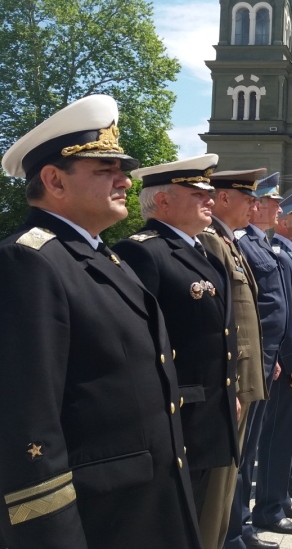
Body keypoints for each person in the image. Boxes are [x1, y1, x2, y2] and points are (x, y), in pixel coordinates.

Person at [0, 94, 202, 548]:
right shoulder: (24, 265)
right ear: (54, 180)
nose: (125, 181)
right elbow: (21, 435)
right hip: (89, 522)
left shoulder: (98, 257)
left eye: (121, 170)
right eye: (105, 170)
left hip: (133, 511)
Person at [113, 155, 240, 548]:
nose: (209, 199)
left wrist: (228, 391)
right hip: (176, 417)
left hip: (207, 414)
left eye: (209, 192)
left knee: (194, 520)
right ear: (163, 202)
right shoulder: (143, 252)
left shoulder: (200, 251)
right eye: (197, 192)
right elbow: (140, 346)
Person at [199, 167, 267, 549]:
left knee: (230, 478)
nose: (255, 206)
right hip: (230, 379)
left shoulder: (229, 242)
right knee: (216, 487)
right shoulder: (212, 243)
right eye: (249, 198)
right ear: (225, 198)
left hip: (242, 376)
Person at [224, 172, 290, 549]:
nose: (276, 209)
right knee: (240, 453)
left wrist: (274, 353)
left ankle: (242, 526)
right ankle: (235, 531)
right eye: (272, 202)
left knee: (248, 451)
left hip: (263, 360)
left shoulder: (257, 243)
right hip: (248, 363)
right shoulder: (241, 244)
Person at [251, 189, 292, 536]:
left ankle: (277, 500)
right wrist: (289, 358)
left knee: (284, 436)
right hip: (285, 360)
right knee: (275, 438)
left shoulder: (285, 254)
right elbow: (281, 312)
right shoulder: (276, 252)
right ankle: (269, 506)